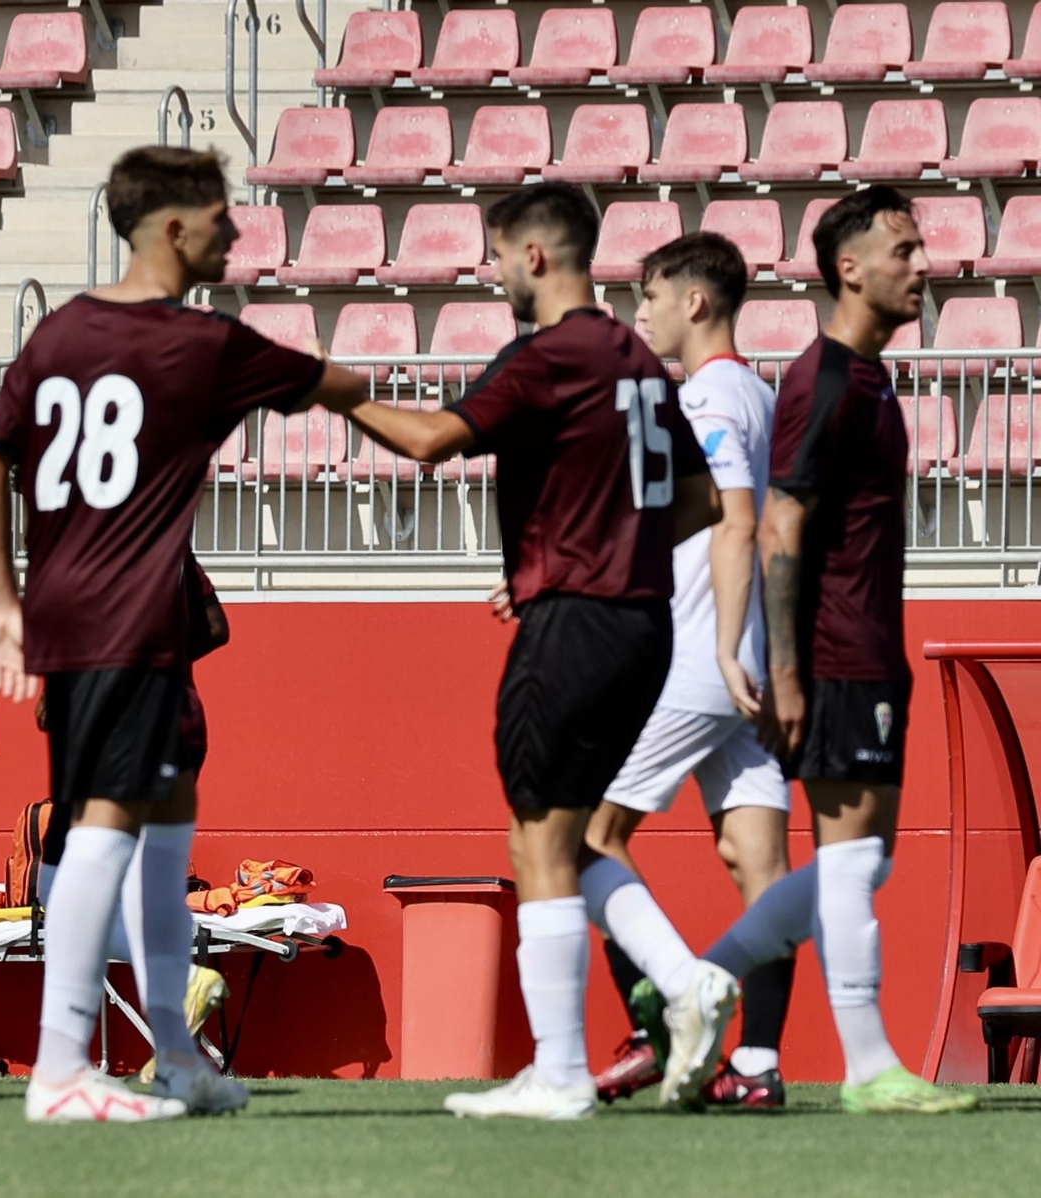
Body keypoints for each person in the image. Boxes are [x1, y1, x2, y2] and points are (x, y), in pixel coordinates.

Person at [0, 144, 369, 1122]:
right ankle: (62, 1065)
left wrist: (5, 597)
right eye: (223, 214)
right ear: (175, 226)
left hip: (79, 615)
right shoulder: (203, 344)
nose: (237, 229)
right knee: (104, 819)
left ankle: (176, 1053)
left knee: (162, 805)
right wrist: (432, 417)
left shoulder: (59, 332)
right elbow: (337, 383)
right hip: (125, 619)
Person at [336, 183, 731, 1120]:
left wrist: (334, 390)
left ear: (538, 257)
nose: (496, 270)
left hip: (578, 621)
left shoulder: (551, 353)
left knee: (537, 836)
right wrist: (598, 544)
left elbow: (433, 440)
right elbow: (703, 501)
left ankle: (562, 1070)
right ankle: (682, 985)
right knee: (570, 836)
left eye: (500, 253)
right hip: (641, 620)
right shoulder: (635, 355)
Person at [691, 186, 977, 1114]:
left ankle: (696, 989)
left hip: (868, 654)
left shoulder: (871, 378)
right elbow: (780, 525)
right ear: (848, 268)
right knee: (853, 864)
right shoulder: (822, 380)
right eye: (905, 249)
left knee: (865, 861)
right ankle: (868, 1070)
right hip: (836, 657)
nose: (924, 265)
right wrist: (784, 673)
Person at [586, 234, 795, 1109]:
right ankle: (756, 1067)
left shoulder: (708, 396)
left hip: (695, 664)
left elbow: (737, 521)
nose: (643, 314)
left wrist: (716, 650)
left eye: (651, 297)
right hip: (744, 672)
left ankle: (665, 1014)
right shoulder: (761, 394)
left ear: (696, 303)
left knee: (577, 841)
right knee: (761, 868)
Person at [33, 550, 231, 1081]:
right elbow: (215, 626)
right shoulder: (164, 531)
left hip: (110, 724)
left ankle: (71, 1062)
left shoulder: (82, 533)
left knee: (57, 884)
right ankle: (178, 1061)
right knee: (148, 885)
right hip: (181, 720)